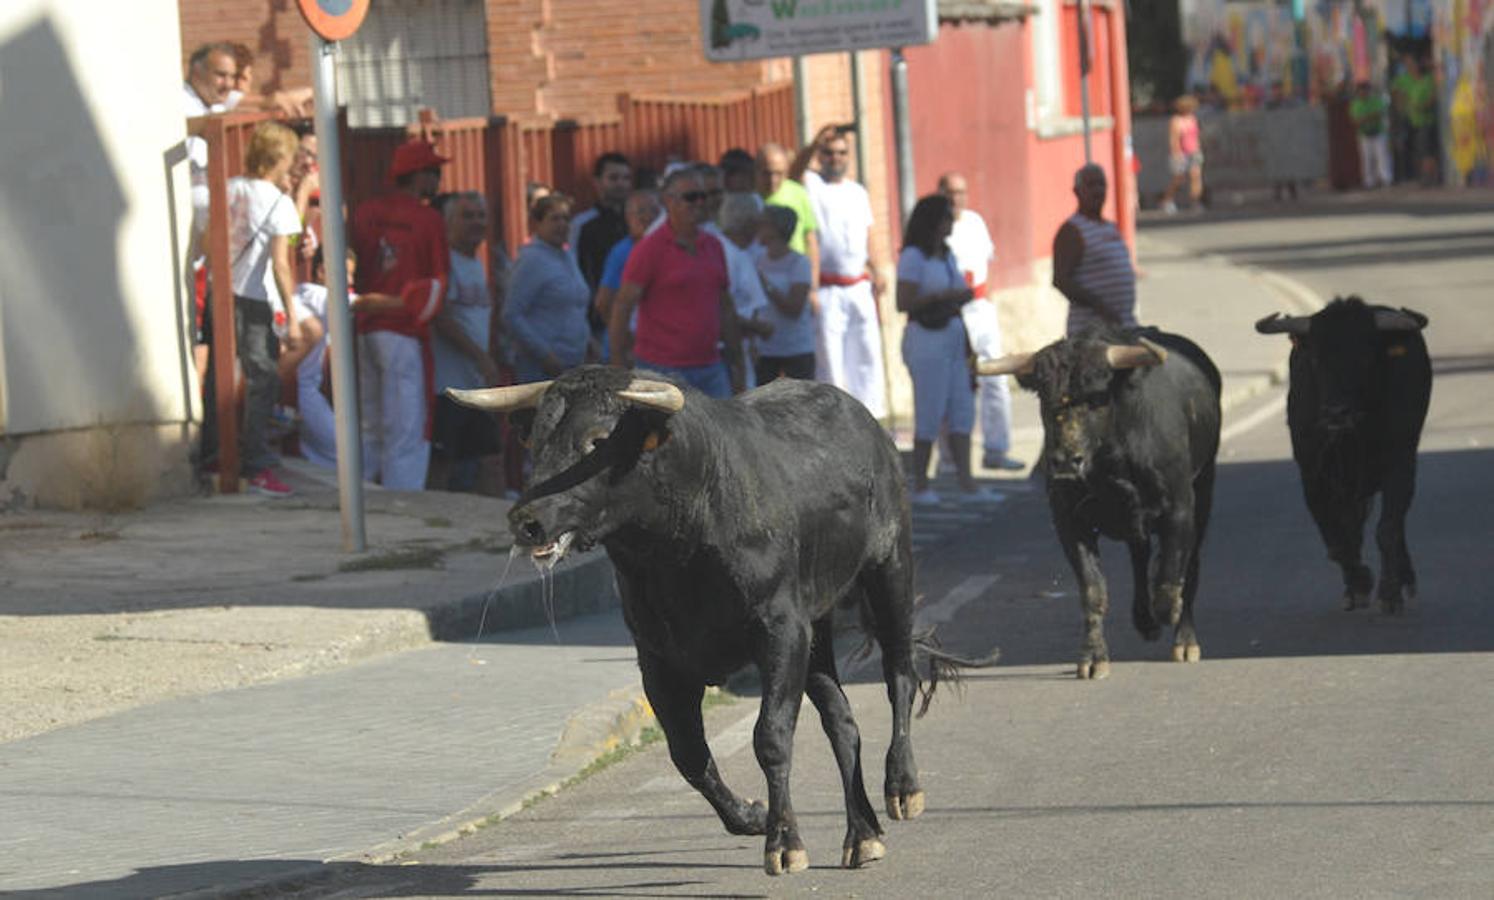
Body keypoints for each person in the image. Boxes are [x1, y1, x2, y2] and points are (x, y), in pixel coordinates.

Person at [199, 121, 304, 497]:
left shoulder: (227, 188)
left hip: (220, 292)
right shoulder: (280, 202)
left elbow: (208, 243)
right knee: (263, 379)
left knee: (217, 378)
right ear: (279, 158)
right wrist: (291, 316)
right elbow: (280, 264)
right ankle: (256, 464)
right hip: (254, 298)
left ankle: (212, 454)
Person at [349, 138, 451, 490]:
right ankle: (403, 502)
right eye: (434, 172)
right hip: (404, 333)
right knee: (407, 427)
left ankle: (363, 493)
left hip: (363, 328)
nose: (438, 180)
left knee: (369, 423)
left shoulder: (365, 212)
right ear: (418, 176)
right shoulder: (428, 219)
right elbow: (437, 285)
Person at [610, 166, 745, 397]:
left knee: (723, 432)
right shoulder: (649, 249)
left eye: (703, 196)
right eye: (691, 197)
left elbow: (725, 308)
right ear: (668, 201)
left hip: (710, 366)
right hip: (660, 370)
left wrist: (738, 362)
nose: (699, 203)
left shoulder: (714, 246)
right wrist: (618, 366)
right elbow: (623, 306)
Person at [896, 194, 988, 505]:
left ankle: (967, 480)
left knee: (961, 407)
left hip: (951, 333)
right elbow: (903, 302)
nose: (951, 223)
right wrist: (939, 296)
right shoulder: (913, 257)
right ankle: (921, 484)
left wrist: (957, 295)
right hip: (927, 338)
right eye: (946, 218)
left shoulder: (946, 255)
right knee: (930, 409)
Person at [792, 123, 887, 419]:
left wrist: (877, 267)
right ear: (821, 156)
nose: (836, 158)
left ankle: (872, 420)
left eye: (842, 153)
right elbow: (793, 173)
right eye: (829, 153)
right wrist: (813, 143)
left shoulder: (858, 191)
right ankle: (835, 421)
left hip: (858, 286)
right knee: (831, 362)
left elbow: (867, 233)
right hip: (828, 289)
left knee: (867, 357)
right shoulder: (811, 184)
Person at [939, 172, 1022, 472]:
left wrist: (989, 305)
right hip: (951, 314)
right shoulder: (936, 230)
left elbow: (987, 266)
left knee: (996, 379)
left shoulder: (975, 222)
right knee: (954, 387)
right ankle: (949, 461)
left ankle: (997, 449)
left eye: (960, 192)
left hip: (980, 309)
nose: (955, 199)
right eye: (949, 193)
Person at [430, 191, 506, 493]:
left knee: (490, 459)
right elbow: (442, 318)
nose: (477, 223)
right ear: (448, 222)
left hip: (477, 383)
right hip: (447, 384)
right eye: (467, 216)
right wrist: (479, 356)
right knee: (442, 461)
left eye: (481, 216)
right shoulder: (446, 263)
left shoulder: (477, 264)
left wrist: (490, 359)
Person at [504, 193, 593, 384]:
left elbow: (577, 304)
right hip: (541, 368)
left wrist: (589, 341)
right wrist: (544, 354)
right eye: (554, 219)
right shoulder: (531, 260)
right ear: (537, 223)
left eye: (566, 219)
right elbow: (512, 315)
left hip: (573, 364)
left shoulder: (568, 255)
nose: (562, 224)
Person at [1053, 164, 1138, 335]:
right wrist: (1100, 306)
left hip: (1123, 325)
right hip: (1091, 333)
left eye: (1101, 185)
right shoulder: (1071, 231)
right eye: (1091, 185)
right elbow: (1061, 280)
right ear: (1077, 192)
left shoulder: (1110, 227)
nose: (1098, 191)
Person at [593, 189, 662, 364]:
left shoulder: (667, 248)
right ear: (628, 218)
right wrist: (625, 342)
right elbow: (603, 302)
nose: (648, 217)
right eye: (641, 212)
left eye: (655, 211)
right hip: (629, 351)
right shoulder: (623, 252)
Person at [716, 190, 774, 388]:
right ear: (749, 223)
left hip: (742, 346)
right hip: (727, 350)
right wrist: (759, 328)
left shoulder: (737, 252)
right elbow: (720, 308)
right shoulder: (723, 252)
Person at [753, 204, 815, 384]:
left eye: (763, 223)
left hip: (796, 350)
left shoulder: (799, 262)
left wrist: (766, 285)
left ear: (775, 228)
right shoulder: (757, 260)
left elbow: (794, 307)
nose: (757, 227)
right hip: (766, 351)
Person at [568, 152, 633, 294]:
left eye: (626, 178)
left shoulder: (638, 221)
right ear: (597, 182)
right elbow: (575, 269)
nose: (621, 184)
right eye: (613, 178)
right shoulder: (583, 224)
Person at [755, 142, 819, 282]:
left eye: (779, 173)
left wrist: (813, 284)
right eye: (767, 173)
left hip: (795, 274)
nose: (772, 180)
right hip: (761, 275)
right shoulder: (750, 199)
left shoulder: (798, 193)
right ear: (756, 171)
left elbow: (810, 239)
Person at [1393, 55, 1439, 186]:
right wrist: (1402, 106)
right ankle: (1422, 175)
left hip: (1426, 120)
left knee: (1427, 150)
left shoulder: (1427, 79)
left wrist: (1423, 105)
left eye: (1412, 64)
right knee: (1417, 150)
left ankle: (1430, 177)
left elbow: (1433, 96)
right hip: (1411, 121)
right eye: (1407, 65)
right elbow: (1396, 91)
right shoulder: (1404, 80)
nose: (1410, 67)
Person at [1160, 95, 1204, 214]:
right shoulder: (1176, 121)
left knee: (1196, 176)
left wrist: (1198, 148)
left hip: (1193, 151)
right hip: (1181, 153)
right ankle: (1166, 200)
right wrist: (1176, 153)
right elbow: (1174, 138)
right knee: (1178, 179)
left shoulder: (1193, 119)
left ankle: (1195, 201)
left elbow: (1196, 136)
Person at [1349, 80, 1393, 190]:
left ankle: (1385, 179)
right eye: (1361, 91)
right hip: (1364, 134)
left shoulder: (1376, 101)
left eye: (1365, 90)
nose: (1363, 93)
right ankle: (1369, 181)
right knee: (1367, 158)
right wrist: (1367, 118)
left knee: (1382, 156)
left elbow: (1378, 114)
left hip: (1378, 132)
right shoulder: (1356, 104)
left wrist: (1365, 118)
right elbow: (1355, 120)